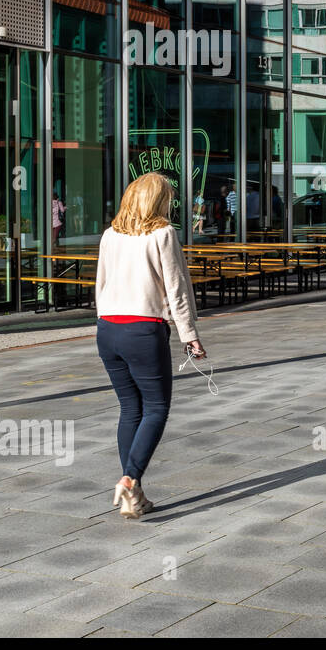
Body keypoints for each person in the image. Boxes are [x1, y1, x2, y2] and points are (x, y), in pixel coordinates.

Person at [94, 173, 204, 520]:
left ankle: (134, 494)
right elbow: (177, 288)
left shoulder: (110, 235)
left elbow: (101, 283)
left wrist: (104, 320)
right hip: (143, 328)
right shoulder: (163, 234)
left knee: (130, 409)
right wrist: (190, 335)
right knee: (156, 408)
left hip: (108, 328)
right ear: (159, 201)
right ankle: (129, 481)